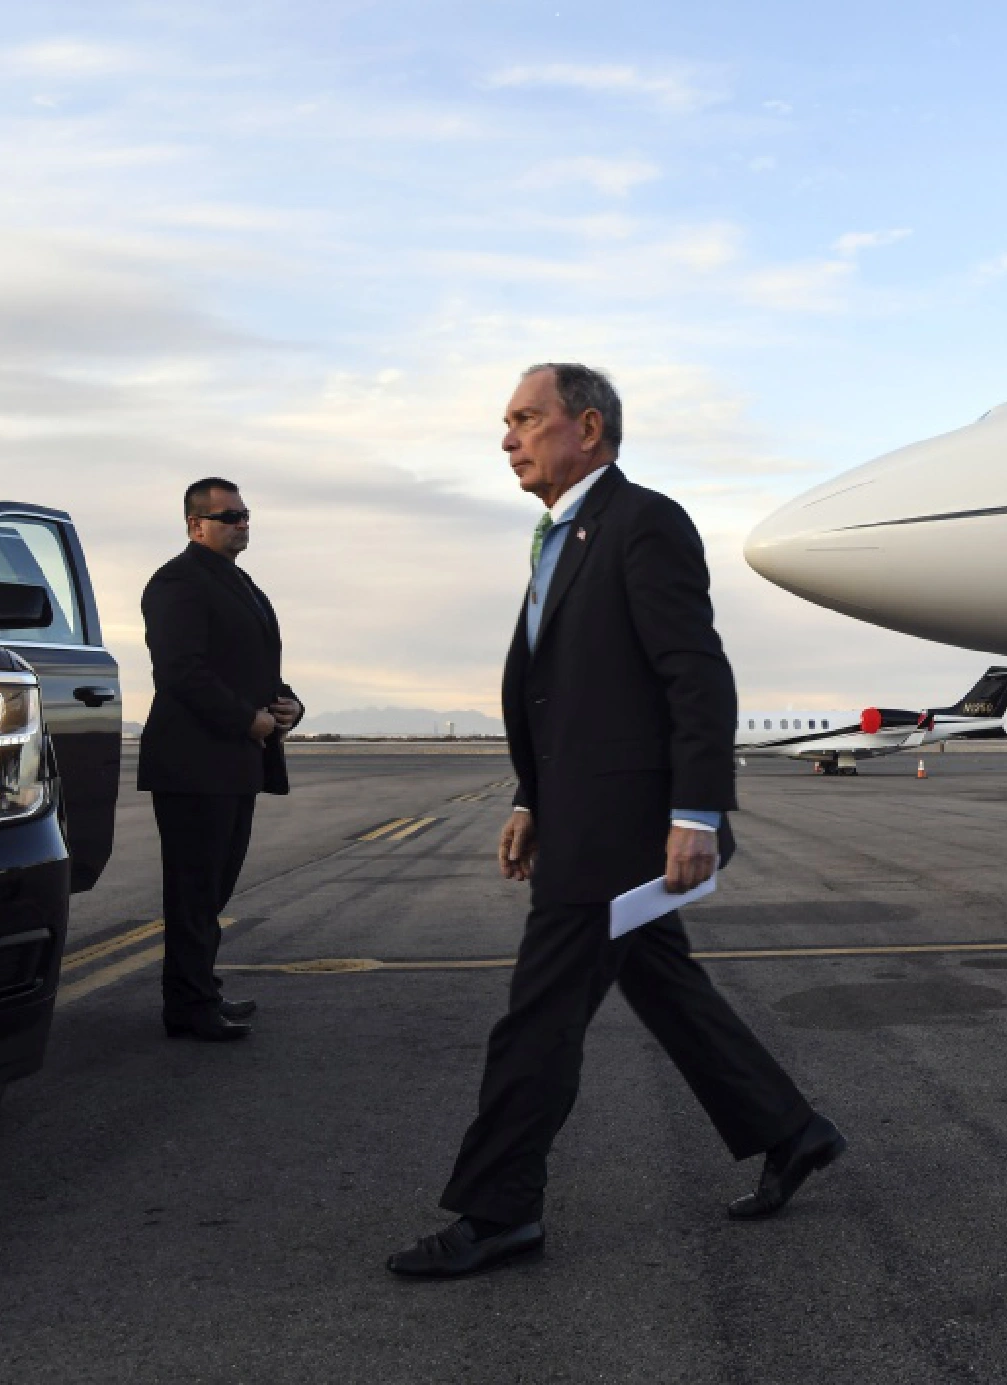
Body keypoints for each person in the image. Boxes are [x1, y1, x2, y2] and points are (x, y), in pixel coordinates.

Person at [387, 363, 844, 1279]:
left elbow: (694, 673)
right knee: (665, 984)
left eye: (525, 418)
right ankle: (790, 1131)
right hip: (585, 816)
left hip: (624, 830)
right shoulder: (556, 536)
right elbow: (568, 697)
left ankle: (499, 1208)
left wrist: (695, 811)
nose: (508, 437)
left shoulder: (645, 522)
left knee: (538, 1020)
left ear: (586, 428)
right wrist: (530, 798)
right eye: (506, 423)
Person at [138, 479, 303, 1042]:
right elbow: (180, 672)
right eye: (228, 515)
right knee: (193, 889)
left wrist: (287, 704)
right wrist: (247, 719)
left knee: (214, 889)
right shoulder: (176, 582)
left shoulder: (241, 585)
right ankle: (187, 1005)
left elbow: (252, 665)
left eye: (245, 514)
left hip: (233, 763)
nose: (241, 523)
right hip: (193, 763)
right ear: (195, 525)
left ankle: (200, 990)